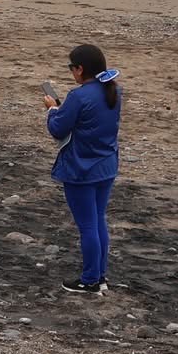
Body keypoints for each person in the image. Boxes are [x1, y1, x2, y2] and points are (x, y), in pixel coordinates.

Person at [44, 44, 122, 294]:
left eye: (71, 68)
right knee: (98, 221)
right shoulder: (113, 91)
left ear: (80, 69)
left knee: (88, 225)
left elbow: (58, 128)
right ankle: (99, 276)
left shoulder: (79, 96)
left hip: (81, 168)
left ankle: (90, 280)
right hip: (106, 165)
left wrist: (52, 110)